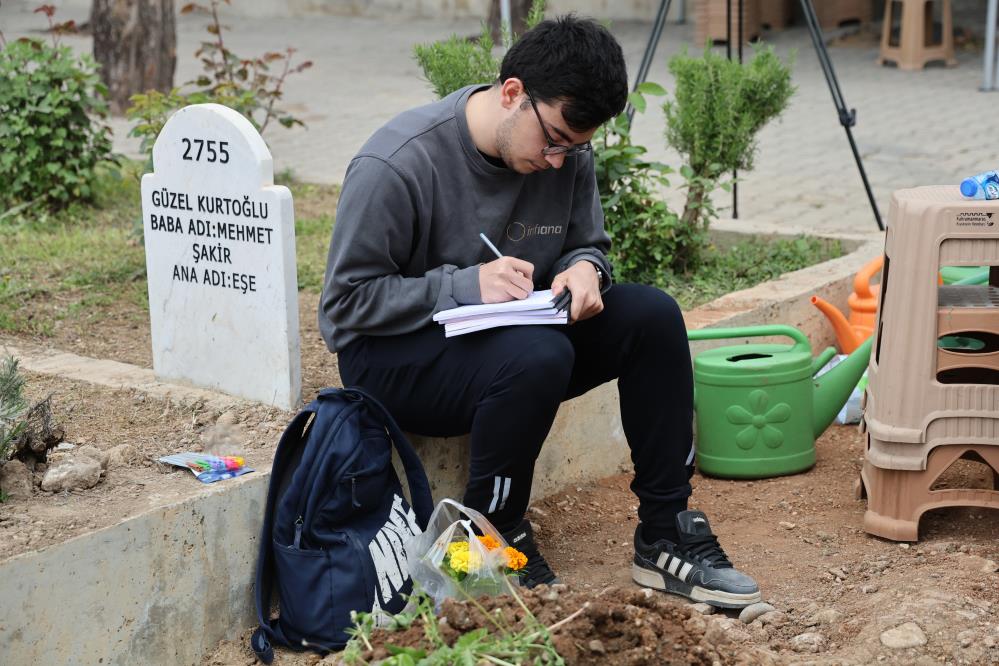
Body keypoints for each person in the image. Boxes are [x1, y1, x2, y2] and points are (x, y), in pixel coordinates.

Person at [319, 15, 761, 608]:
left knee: (652, 315)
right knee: (538, 352)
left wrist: (585, 270)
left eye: (575, 148)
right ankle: (487, 537)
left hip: (514, 342)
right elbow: (344, 309)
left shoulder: (565, 152)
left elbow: (588, 244)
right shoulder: (397, 164)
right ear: (512, 94)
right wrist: (465, 284)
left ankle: (664, 533)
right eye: (552, 139)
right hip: (396, 360)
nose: (559, 161)